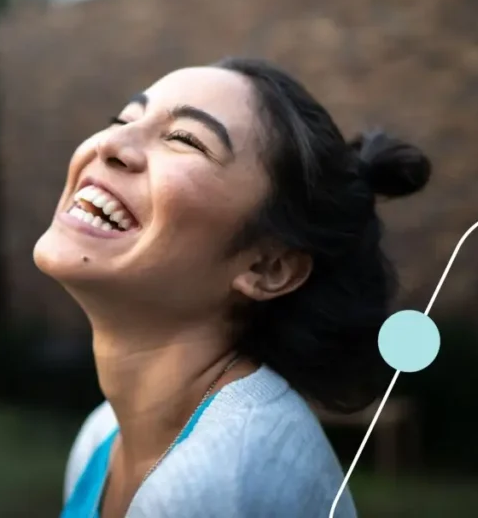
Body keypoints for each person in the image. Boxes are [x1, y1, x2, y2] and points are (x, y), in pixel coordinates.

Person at [33, 57, 431, 518]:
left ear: (269, 266)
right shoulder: (101, 437)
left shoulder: (215, 486)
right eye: (123, 119)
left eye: (184, 139)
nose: (110, 144)